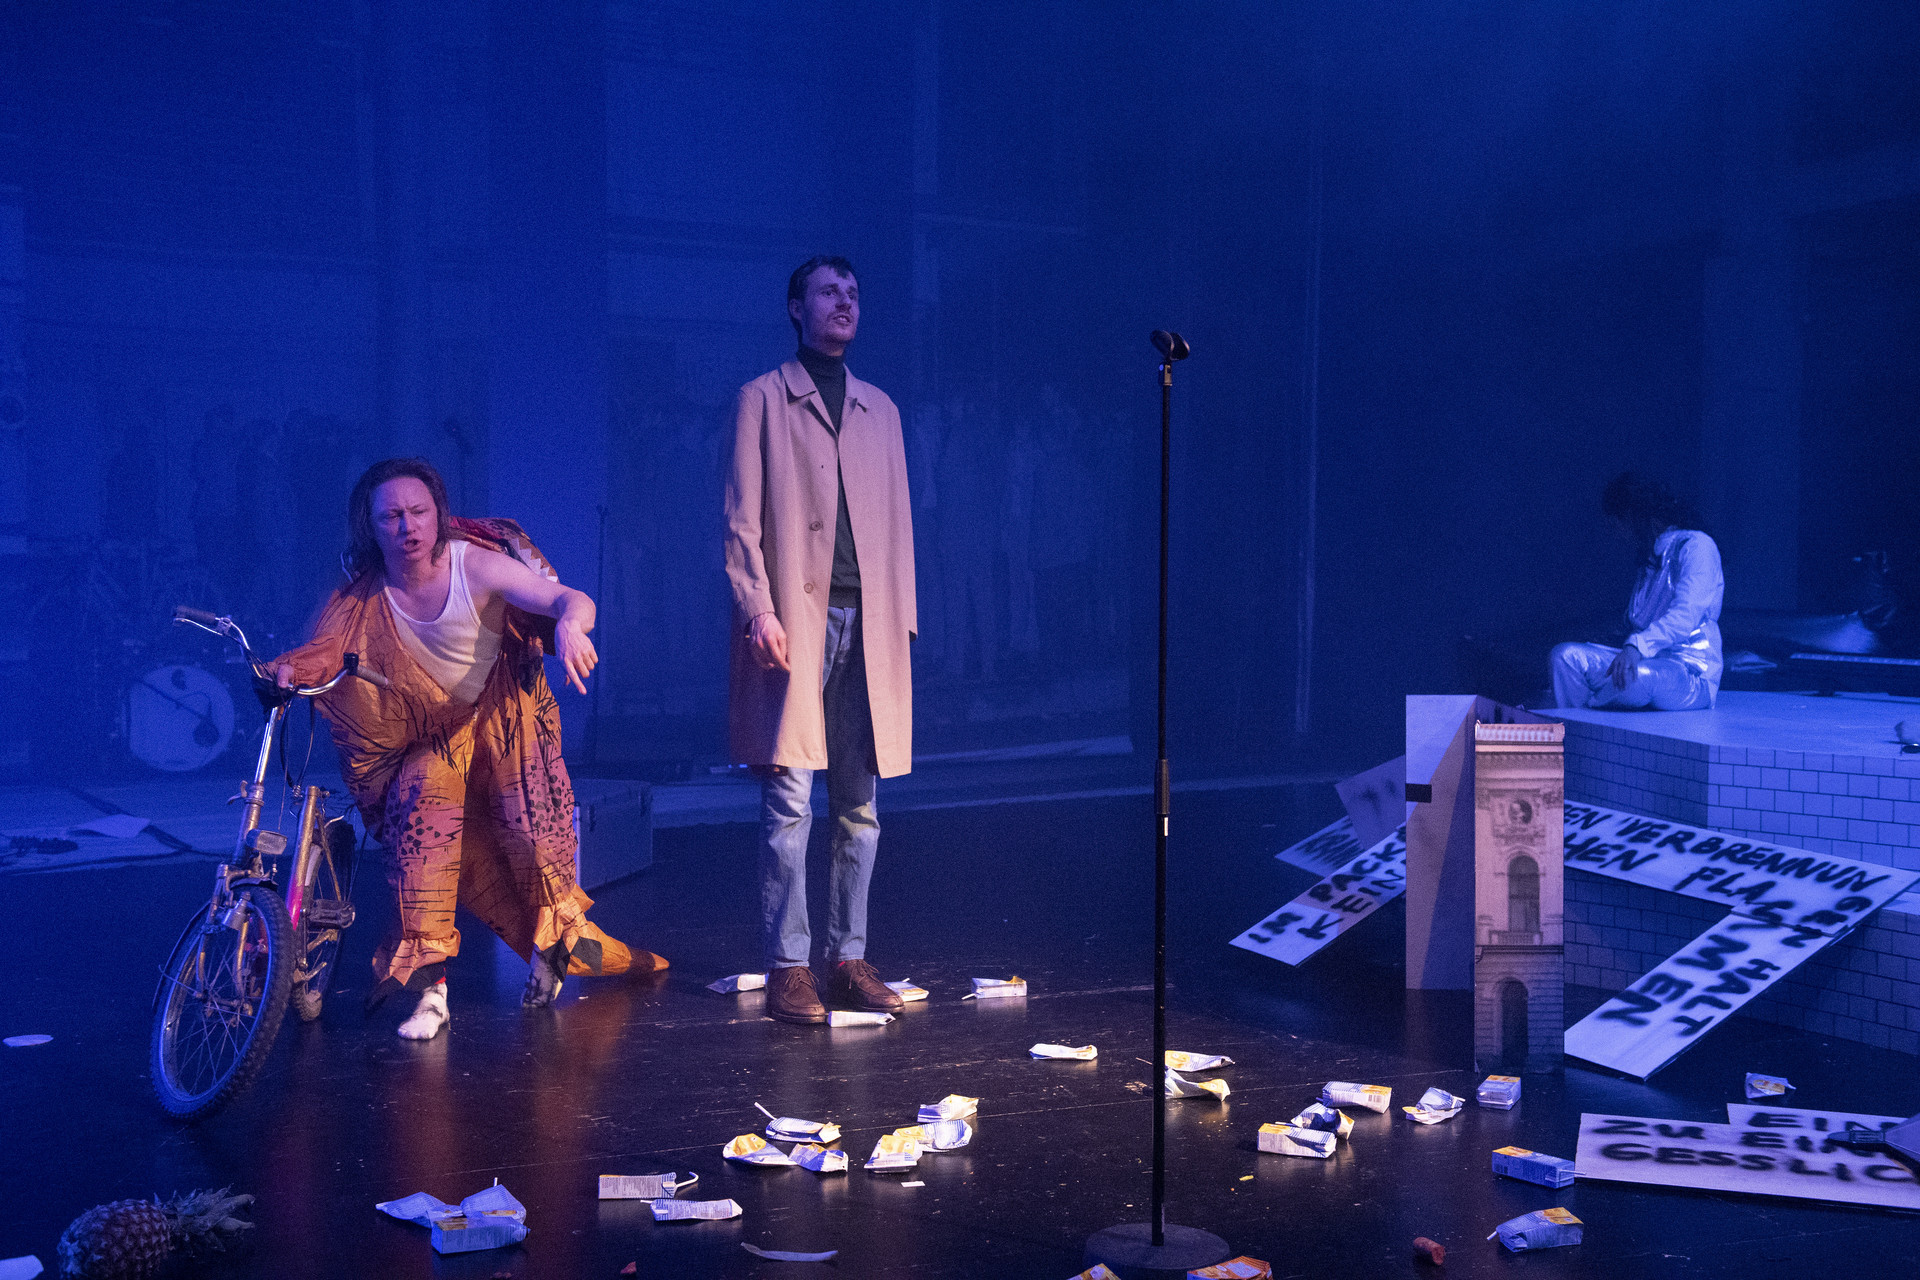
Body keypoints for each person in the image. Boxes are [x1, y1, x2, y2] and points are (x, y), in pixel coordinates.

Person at [271, 458, 663, 1040]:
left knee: (533, 841)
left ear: (439, 514)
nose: (407, 526)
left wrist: (569, 626)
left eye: (418, 512)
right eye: (391, 516)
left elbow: (568, 599)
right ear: (370, 527)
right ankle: (433, 993)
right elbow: (321, 650)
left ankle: (559, 948)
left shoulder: (473, 565)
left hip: (500, 718)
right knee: (425, 845)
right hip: (433, 740)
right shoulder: (360, 597)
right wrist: (286, 671)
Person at [724, 255, 917, 1024]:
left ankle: (848, 957)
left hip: (869, 623)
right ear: (795, 307)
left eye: (854, 293)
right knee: (790, 798)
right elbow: (740, 521)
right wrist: (758, 608)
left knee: (859, 803)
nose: (844, 302)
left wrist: (903, 620)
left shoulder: (881, 409)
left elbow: (898, 523)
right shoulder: (762, 400)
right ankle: (789, 965)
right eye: (829, 292)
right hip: (796, 624)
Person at [1550, 472, 1724, 711]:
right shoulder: (1650, 559)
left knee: (1637, 678)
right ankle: (1578, 723)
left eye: (1617, 525)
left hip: (1690, 671)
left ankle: (1587, 710)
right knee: (1564, 657)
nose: (1617, 535)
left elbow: (1686, 615)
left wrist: (1635, 646)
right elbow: (1637, 623)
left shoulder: (1698, 546)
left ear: (1634, 517)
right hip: (1645, 659)